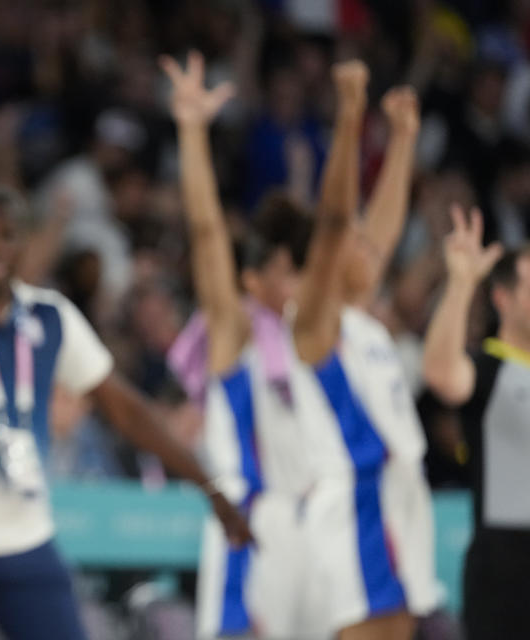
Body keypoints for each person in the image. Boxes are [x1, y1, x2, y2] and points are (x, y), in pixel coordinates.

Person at [0, 183, 251, 640]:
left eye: (7, 234)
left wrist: (208, 485)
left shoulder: (50, 316)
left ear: (26, 240)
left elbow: (128, 412)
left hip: (24, 537)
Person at [161, 50, 426, 638]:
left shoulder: (321, 328)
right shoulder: (237, 332)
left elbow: (374, 242)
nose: (300, 282)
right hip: (250, 520)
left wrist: (403, 142)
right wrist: (192, 131)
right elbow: (206, 234)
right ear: (253, 281)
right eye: (286, 272)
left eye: (301, 271)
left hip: (319, 519)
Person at [289, 61, 438, 640]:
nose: (364, 242)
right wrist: (350, 118)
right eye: (351, 238)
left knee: (401, 630)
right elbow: (333, 219)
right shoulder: (313, 320)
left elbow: (385, 226)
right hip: (351, 499)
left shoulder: (365, 323)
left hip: (398, 492)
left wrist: (403, 140)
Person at [421, 207, 530, 639]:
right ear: (502, 298)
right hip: (506, 575)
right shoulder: (488, 368)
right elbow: (440, 372)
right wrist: (462, 283)